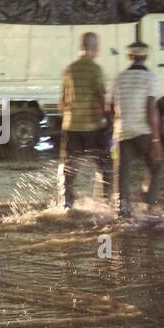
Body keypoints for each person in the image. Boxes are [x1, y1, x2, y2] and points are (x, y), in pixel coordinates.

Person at [58, 31, 111, 210]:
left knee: (69, 169)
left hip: (70, 125)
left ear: (80, 47)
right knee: (105, 166)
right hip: (92, 126)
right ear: (94, 48)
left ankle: (67, 204)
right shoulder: (95, 69)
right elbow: (101, 98)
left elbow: (62, 101)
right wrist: (108, 120)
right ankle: (105, 202)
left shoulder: (68, 69)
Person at [109, 41, 163, 218]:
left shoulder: (119, 78)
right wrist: (156, 141)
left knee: (122, 174)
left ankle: (122, 211)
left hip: (122, 133)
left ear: (129, 57)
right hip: (144, 133)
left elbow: (111, 107)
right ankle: (149, 205)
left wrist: (116, 127)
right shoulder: (151, 78)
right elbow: (151, 108)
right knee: (156, 166)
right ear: (146, 57)